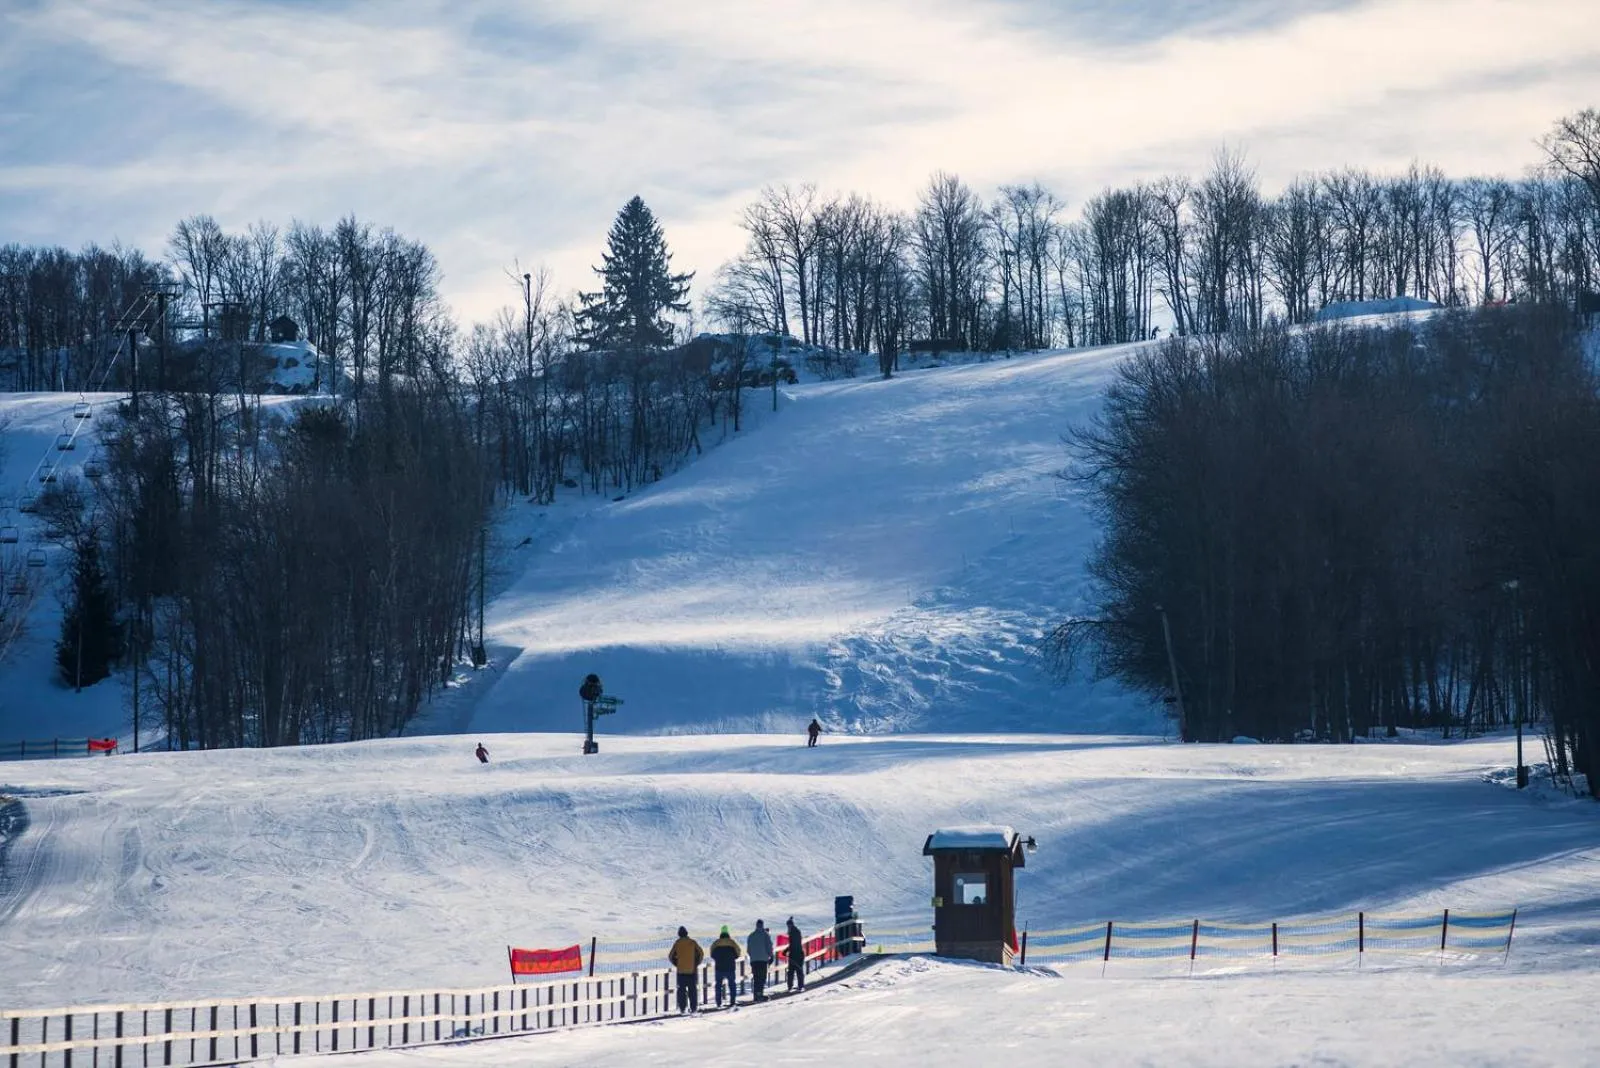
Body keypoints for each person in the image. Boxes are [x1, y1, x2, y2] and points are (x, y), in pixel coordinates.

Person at [668, 926, 704, 1014]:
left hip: (681, 972)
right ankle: (693, 1008)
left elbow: (671, 956)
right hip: (692, 971)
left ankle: (682, 1009)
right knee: (692, 990)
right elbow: (701, 953)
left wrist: (677, 964)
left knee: (681, 991)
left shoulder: (677, 943)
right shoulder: (692, 942)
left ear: (679, 934)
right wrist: (696, 963)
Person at [709, 925, 743, 1007]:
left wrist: (717, 959)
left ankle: (718, 1003)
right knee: (732, 985)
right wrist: (733, 957)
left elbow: (712, 953)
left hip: (719, 967)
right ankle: (732, 1002)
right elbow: (738, 953)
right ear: (727, 933)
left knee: (718, 985)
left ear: (721, 933)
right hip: (730, 967)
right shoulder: (732, 942)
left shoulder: (716, 943)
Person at [746, 919, 774, 1001]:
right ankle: (760, 994)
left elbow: (748, 950)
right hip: (763, 960)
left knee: (756, 977)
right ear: (762, 925)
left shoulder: (751, 936)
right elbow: (769, 947)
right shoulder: (765, 935)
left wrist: (753, 956)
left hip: (754, 961)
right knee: (762, 978)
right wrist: (771, 956)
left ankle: (756, 995)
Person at [785, 917, 805, 992]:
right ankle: (798, 986)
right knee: (796, 970)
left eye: (788, 926)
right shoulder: (795, 931)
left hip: (795, 954)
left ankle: (795, 986)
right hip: (797, 954)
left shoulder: (793, 932)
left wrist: (786, 950)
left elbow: (794, 944)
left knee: (793, 971)